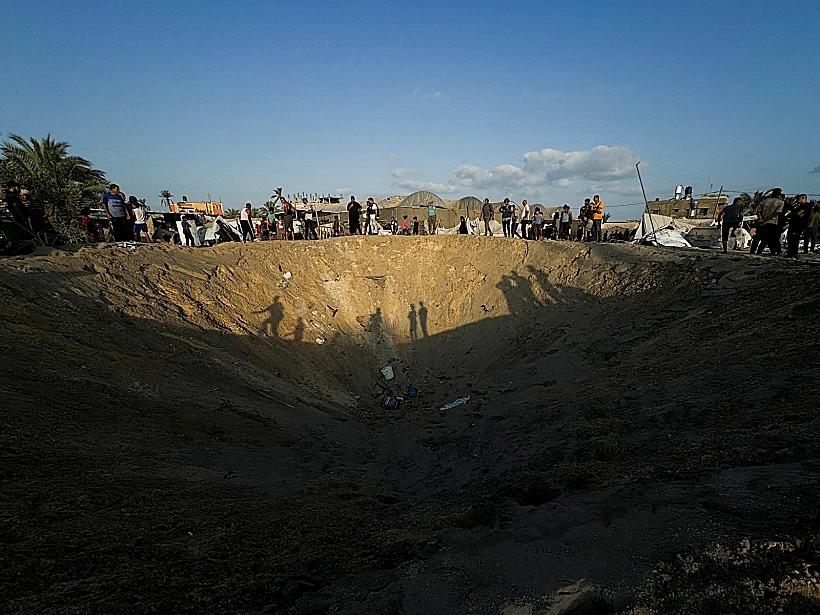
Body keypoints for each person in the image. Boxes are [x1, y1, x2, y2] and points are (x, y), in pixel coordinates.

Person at [754, 188, 784, 255]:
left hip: (762, 223)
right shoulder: (780, 202)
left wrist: (761, 219)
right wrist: (765, 219)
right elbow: (776, 213)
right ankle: (777, 252)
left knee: (764, 238)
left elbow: (758, 211)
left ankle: (759, 251)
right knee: (774, 238)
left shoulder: (764, 201)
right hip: (771, 222)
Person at [785, 193, 811, 258]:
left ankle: (793, 253)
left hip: (799, 225)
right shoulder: (799, 207)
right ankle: (790, 252)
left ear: (803, 199)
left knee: (794, 238)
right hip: (794, 224)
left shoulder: (807, 205)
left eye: (798, 199)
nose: (796, 200)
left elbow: (799, 213)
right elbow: (791, 214)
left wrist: (794, 216)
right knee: (790, 238)